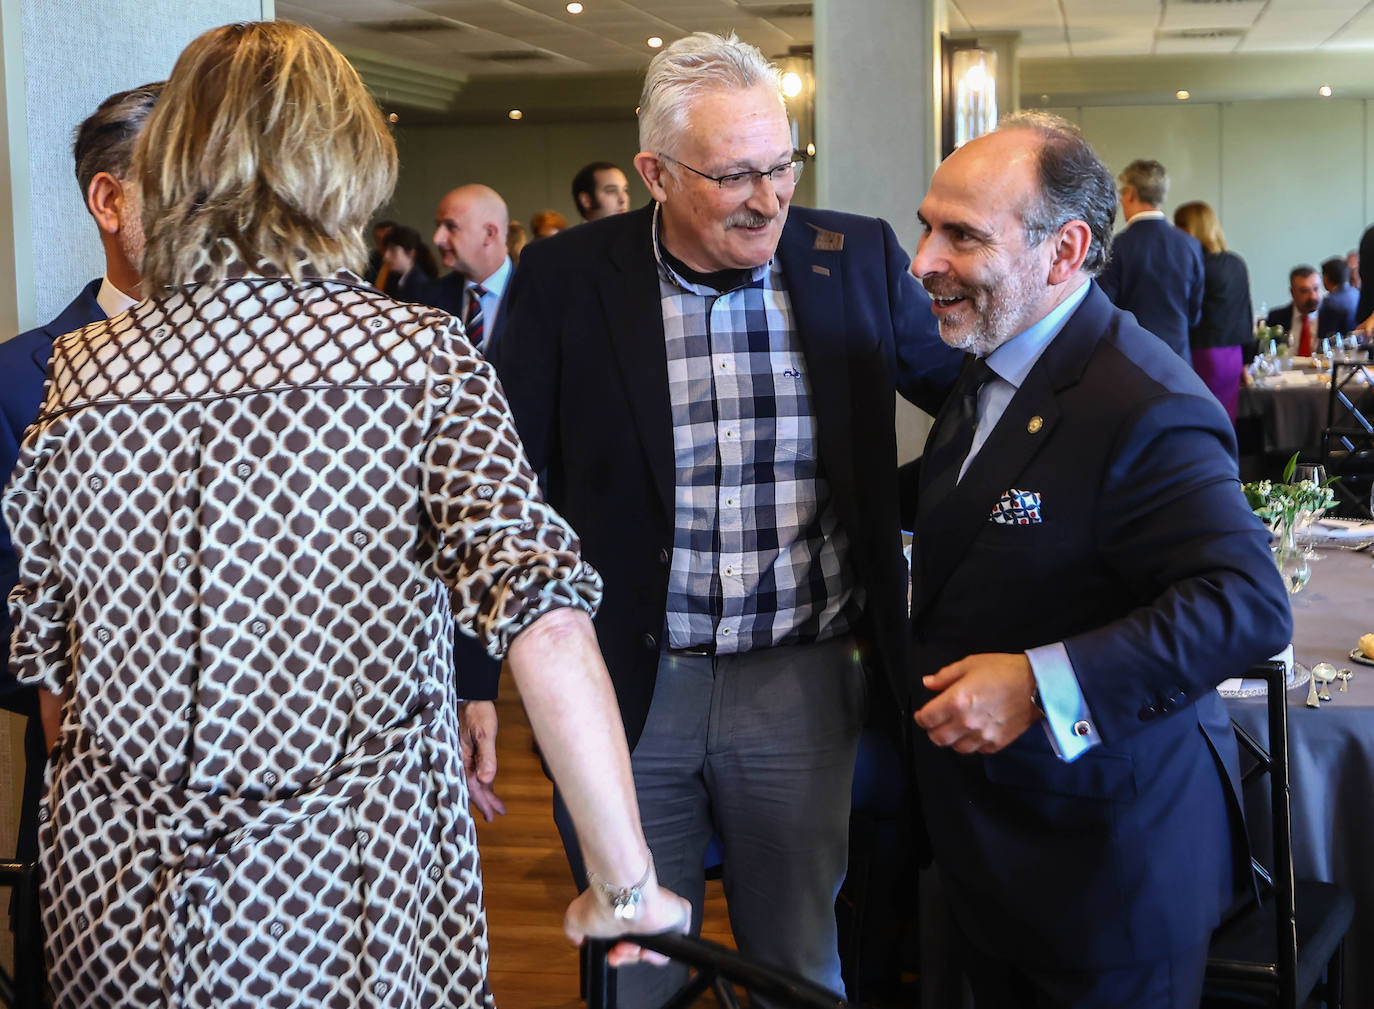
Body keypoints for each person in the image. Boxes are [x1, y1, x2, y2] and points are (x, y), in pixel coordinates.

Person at [3, 22, 687, 1009]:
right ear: (347, 156)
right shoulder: (417, 361)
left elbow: (61, 693)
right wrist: (624, 880)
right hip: (341, 897)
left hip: (117, 900)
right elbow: (541, 609)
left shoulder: (79, 376)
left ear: (176, 161)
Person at [482, 30, 961, 1008]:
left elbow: (971, 400)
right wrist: (467, 677)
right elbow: (500, 486)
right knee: (640, 969)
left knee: (797, 961)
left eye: (782, 163)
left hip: (803, 677)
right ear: (654, 172)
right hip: (627, 688)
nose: (770, 195)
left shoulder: (852, 255)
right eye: (735, 174)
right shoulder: (568, 279)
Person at [908, 111, 1291, 1009]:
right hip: (996, 850)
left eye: (961, 234)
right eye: (926, 224)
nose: (923, 259)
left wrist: (1040, 683)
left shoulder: (1144, 399)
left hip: (1106, 875)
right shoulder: (996, 354)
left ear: (1064, 249)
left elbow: (1246, 602)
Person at [0, 81, 163, 891]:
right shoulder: (14, 380)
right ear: (110, 200)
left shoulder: (296, 375)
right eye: (191, 184)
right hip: (90, 811)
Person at [1097, 158, 1204, 361]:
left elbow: (1103, 310)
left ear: (1129, 194)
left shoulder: (1118, 247)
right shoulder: (1190, 245)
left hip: (1132, 360)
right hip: (1179, 360)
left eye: (1122, 193)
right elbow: (1194, 315)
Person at [1172, 200, 1252, 422]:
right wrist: (1248, 357)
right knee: (1226, 422)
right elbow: (1245, 313)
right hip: (1233, 355)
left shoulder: (1194, 265)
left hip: (1203, 354)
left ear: (1189, 228)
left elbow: (1185, 313)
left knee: (1200, 420)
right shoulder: (1236, 263)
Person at [429, 184, 513, 356]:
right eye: (438, 226)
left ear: (489, 233)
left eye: (451, 226)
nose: (437, 239)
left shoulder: (541, 296)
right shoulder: (429, 298)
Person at [1265, 265, 1322, 355]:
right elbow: (1267, 352)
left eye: (1316, 289)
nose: (1313, 296)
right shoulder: (1276, 318)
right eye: (1304, 291)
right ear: (1292, 292)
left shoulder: (1333, 317)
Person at [379, 224, 438, 303]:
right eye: (386, 250)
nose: (386, 256)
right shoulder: (394, 278)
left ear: (411, 253)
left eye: (393, 250)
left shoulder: (420, 286)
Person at [1319, 256, 1359, 339]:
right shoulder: (1358, 293)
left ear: (1325, 278)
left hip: (1341, 349)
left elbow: (1324, 338)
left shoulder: (1329, 303)